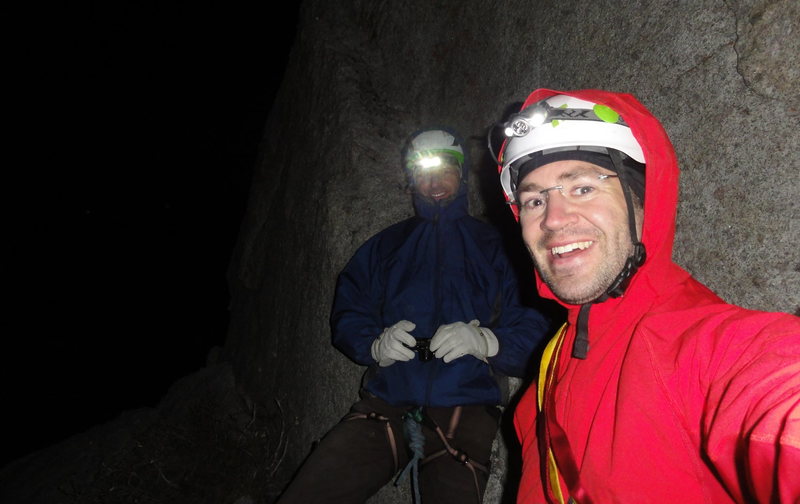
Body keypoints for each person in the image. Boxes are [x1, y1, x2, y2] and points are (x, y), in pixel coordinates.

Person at [488, 88, 800, 503]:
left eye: (582, 188)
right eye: (534, 200)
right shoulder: (545, 377)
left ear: (643, 201)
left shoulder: (703, 346)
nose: (553, 219)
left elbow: (776, 398)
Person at [277, 128, 551, 504]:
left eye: (444, 169)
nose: (434, 182)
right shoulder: (385, 247)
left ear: (462, 173)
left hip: (464, 409)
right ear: (411, 179)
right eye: (422, 171)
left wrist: (488, 342)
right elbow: (350, 309)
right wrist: (373, 345)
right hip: (385, 405)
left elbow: (537, 327)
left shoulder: (498, 248)